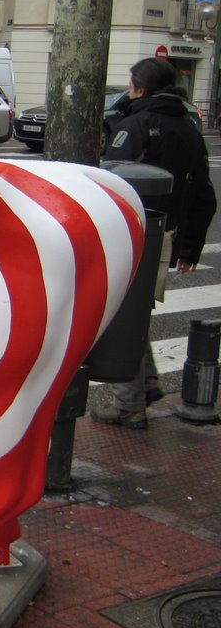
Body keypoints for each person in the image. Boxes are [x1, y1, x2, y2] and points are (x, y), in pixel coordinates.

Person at [91, 57, 217, 430]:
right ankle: (146, 382)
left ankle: (129, 405)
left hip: (133, 235)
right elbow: (204, 194)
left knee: (120, 315)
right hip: (167, 235)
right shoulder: (188, 128)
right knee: (137, 310)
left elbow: (110, 186)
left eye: (131, 84)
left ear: (140, 88)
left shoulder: (134, 126)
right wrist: (190, 247)